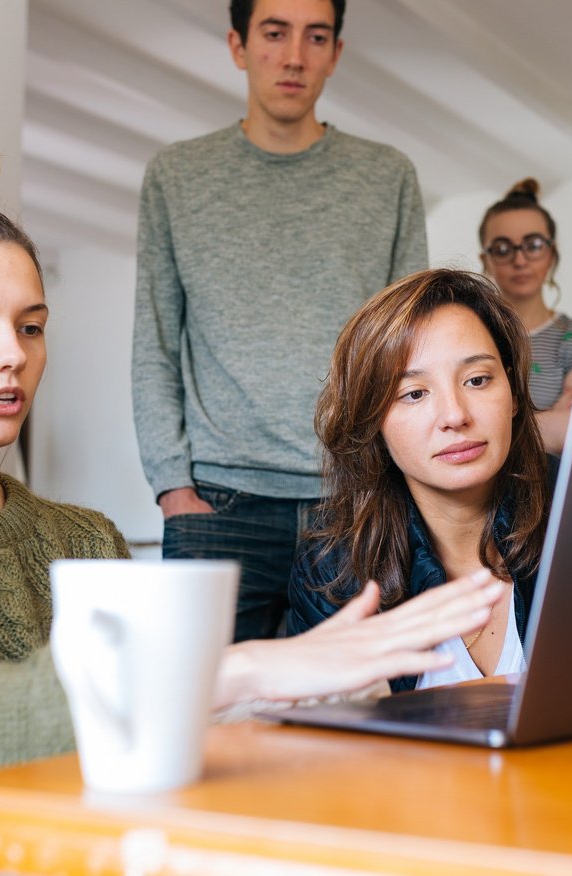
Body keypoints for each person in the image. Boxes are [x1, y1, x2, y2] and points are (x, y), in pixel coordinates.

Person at [0, 122, 502, 874]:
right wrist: (235, 671)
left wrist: (310, 700)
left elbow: (138, 760)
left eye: (30, 327)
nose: (12, 354)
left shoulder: (82, 538)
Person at [132, 0, 428, 642]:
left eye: (315, 36)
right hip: (215, 504)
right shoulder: (177, 176)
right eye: (274, 33)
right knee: (203, 720)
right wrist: (171, 487)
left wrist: (399, 481)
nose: (294, 55)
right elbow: (153, 341)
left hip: (354, 500)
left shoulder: (388, 177)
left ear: (335, 53)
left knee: (346, 720)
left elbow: (412, 348)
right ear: (238, 46)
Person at [287, 269, 553, 692]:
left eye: (477, 380)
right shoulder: (333, 568)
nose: (455, 416)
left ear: (514, 393)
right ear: (372, 421)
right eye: (414, 393)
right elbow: (324, 747)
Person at [479, 178, 572, 453]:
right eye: (502, 248)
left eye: (533, 245)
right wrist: (546, 423)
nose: (520, 260)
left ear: (551, 253)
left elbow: (570, 428)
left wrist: (482, 436)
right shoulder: (470, 334)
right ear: (485, 260)